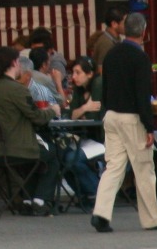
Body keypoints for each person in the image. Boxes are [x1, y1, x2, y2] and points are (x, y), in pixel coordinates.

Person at [91, 13, 157, 233]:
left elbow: (105, 87)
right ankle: (152, 219)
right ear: (144, 32)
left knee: (114, 166)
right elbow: (142, 96)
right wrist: (149, 126)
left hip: (111, 115)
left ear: (124, 29)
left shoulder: (111, 54)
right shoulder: (140, 58)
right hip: (132, 118)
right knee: (144, 168)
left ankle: (101, 213)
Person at [0, 45, 59, 216]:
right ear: (14, 62)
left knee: (36, 157)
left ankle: (26, 198)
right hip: (16, 147)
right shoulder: (18, 89)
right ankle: (40, 199)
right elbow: (37, 117)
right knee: (52, 154)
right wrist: (53, 110)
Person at [63, 56, 103, 207]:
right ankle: (84, 193)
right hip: (86, 138)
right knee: (61, 155)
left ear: (90, 74)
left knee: (72, 159)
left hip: (103, 138)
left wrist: (80, 113)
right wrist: (85, 108)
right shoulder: (79, 89)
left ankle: (97, 192)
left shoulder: (99, 84)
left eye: (77, 72)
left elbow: (94, 117)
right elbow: (69, 114)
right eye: (73, 72)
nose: (73, 77)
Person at [88, 6, 127, 75]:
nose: (126, 26)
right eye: (124, 23)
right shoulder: (106, 43)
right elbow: (101, 70)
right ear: (114, 24)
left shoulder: (116, 39)